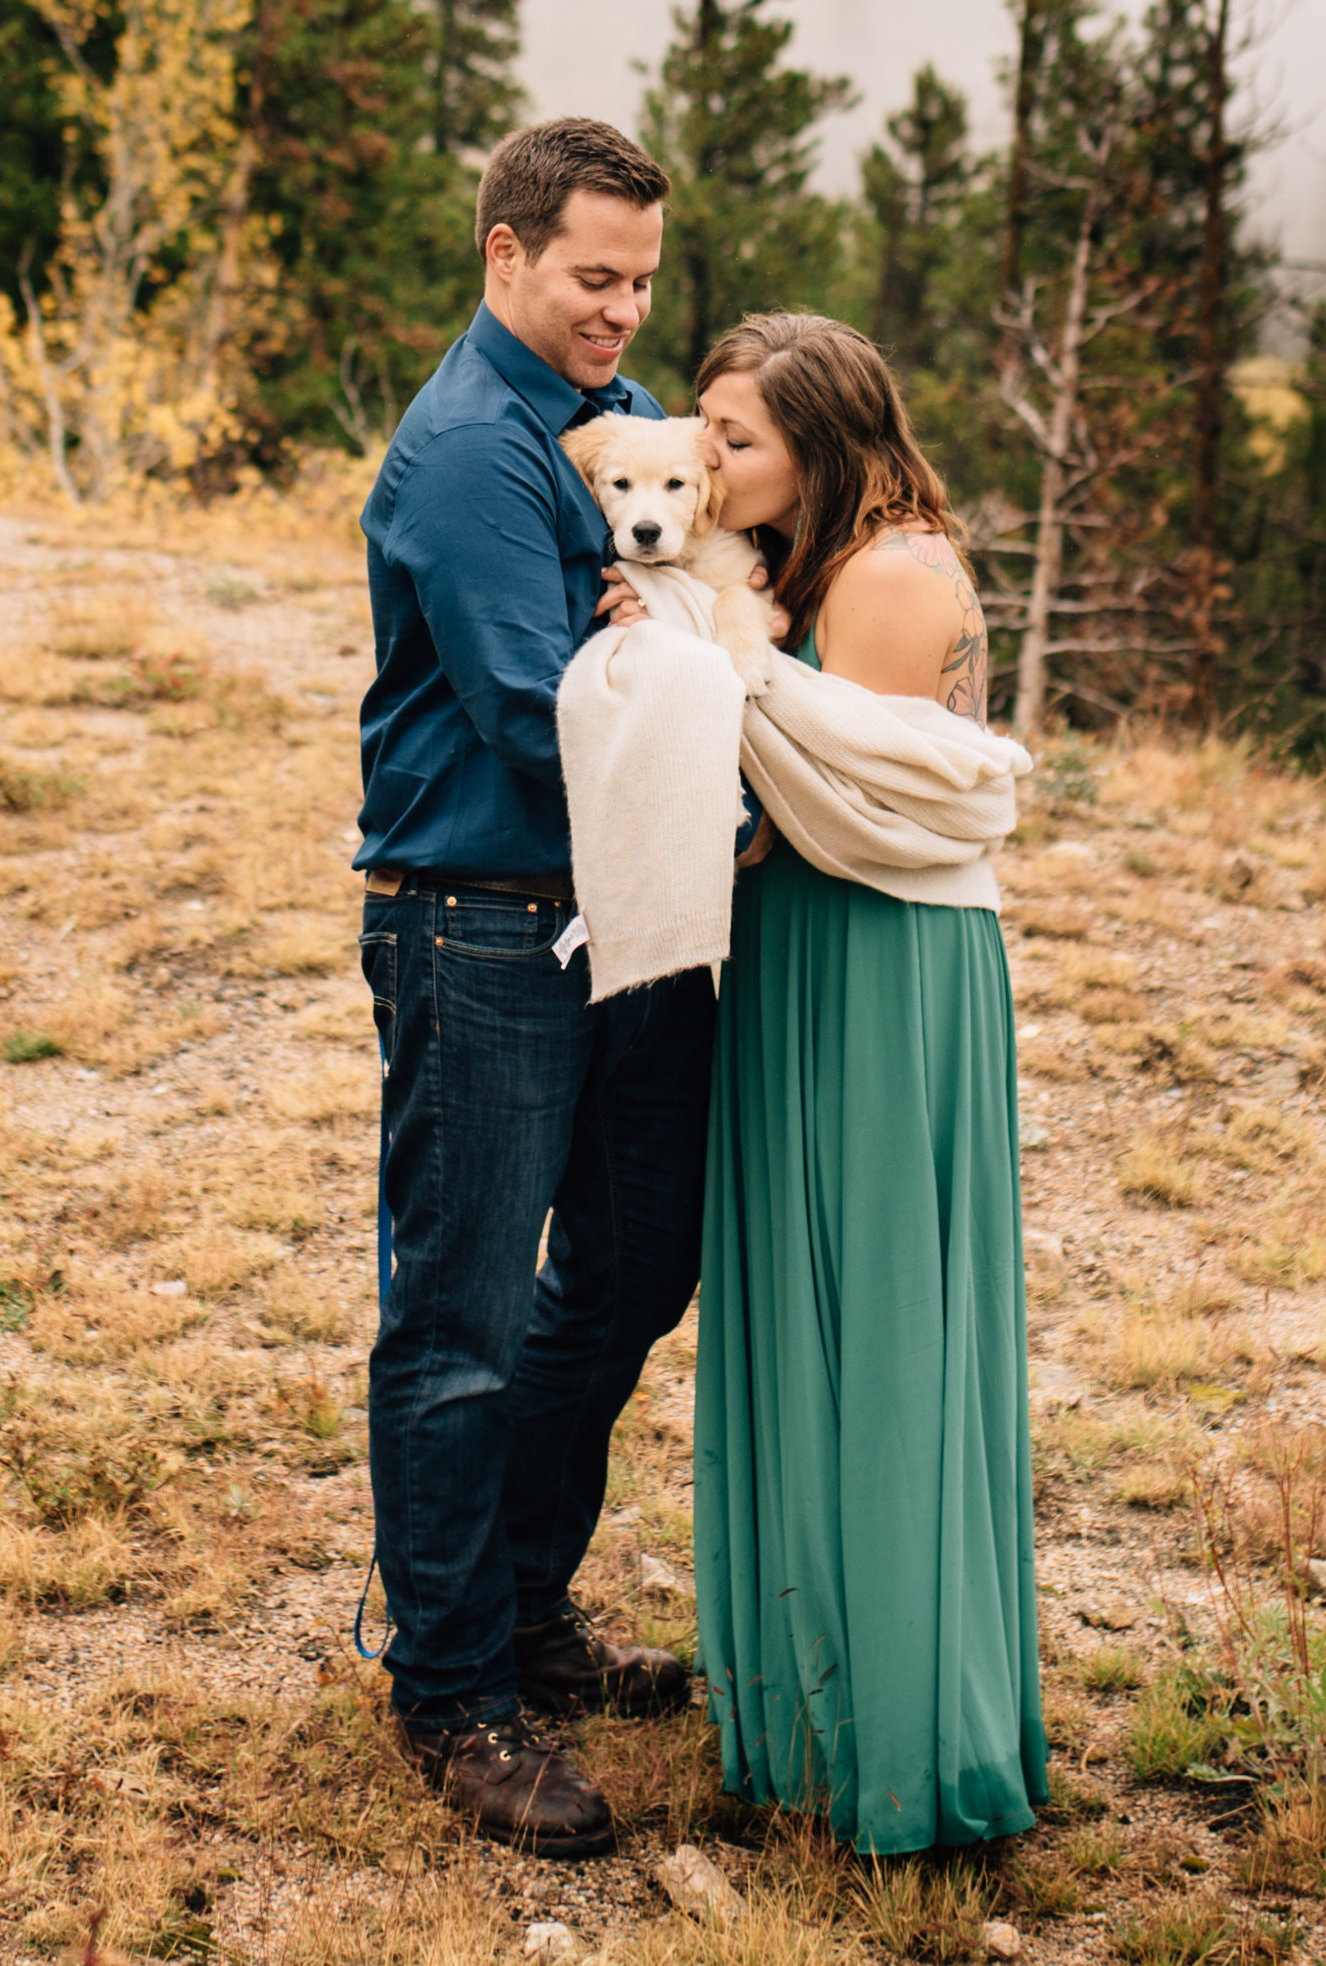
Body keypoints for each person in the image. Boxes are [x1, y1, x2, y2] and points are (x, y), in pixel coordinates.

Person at [354, 115, 716, 1858]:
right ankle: (453, 1691)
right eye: (592, 275)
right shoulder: (470, 455)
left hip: (614, 910)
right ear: (505, 254)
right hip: (481, 920)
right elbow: (537, 708)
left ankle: (519, 1598)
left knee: (643, 1256)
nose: (619, 311)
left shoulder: (595, 436)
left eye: (640, 281)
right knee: (464, 1318)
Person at [691, 310, 1047, 1854]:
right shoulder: (798, 573)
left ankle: (897, 1737)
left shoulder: (888, 575)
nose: (707, 464)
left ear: (820, 449)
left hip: (881, 963)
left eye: (738, 440)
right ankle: (810, 1713)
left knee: (886, 1321)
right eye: (701, 431)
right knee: (804, 1312)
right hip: (806, 953)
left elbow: (869, 805)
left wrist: (729, 669)